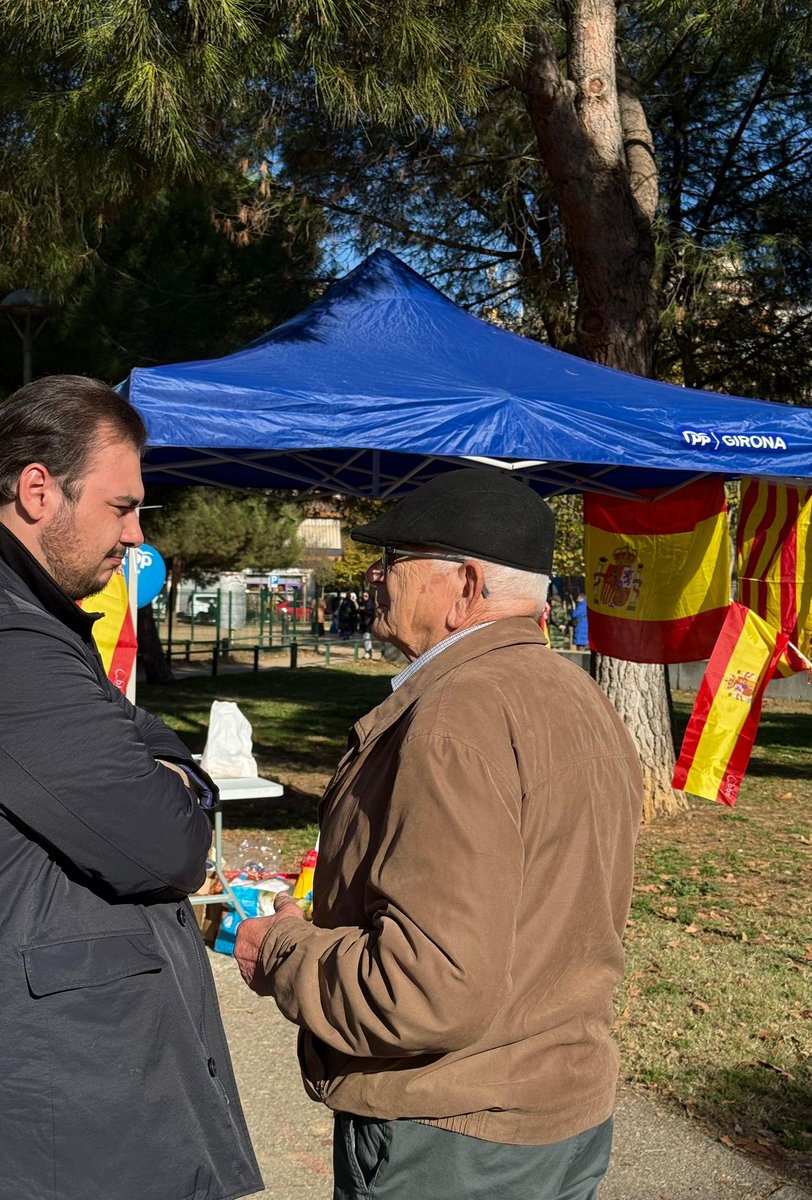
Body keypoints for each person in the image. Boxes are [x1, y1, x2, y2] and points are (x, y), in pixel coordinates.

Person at [234, 469, 642, 1200]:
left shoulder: (458, 715)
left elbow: (425, 988)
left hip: (451, 1139)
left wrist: (286, 950)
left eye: (395, 561)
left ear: (466, 586)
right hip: (554, 1115)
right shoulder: (574, 694)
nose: (376, 577)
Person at [0, 376, 262, 1200]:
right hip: (55, 1120)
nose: (135, 539)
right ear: (38, 489)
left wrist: (159, 761)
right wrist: (186, 777)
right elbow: (166, 845)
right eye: (121, 508)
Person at [357, 588, 377, 658]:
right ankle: (367, 652)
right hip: (363, 623)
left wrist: (364, 610)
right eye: (363, 596)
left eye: (366, 596)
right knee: (365, 638)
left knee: (367, 638)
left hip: (369, 623)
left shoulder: (371, 604)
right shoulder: (362, 603)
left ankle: (368, 653)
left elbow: (372, 613)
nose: (364, 597)